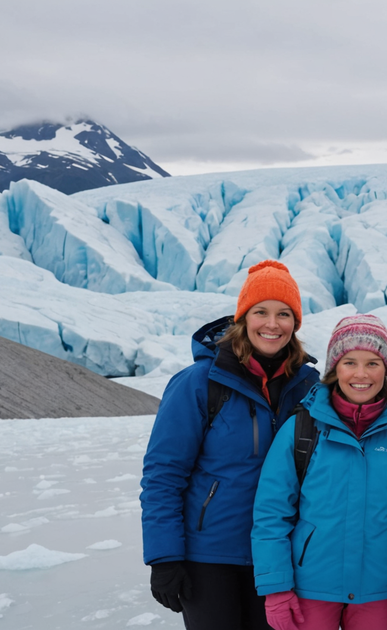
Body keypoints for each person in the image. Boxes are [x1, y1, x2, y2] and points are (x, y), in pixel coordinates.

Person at [141, 260, 320, 630]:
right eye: (261, 312)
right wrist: (164, 556)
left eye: (284, 314)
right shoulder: (199, 384)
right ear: (243, 317)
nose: (272, 324)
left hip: (279, 554)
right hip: (209, 557)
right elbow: (164, 475)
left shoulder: (309, 387)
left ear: (296, 323)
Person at [251, 314, 387, 630]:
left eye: (373, 363)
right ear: (334, 369)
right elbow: (271, 514)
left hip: (380, 588)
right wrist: (276, 587)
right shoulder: (301, 430)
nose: (361, 374)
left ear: (386, 369)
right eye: (349, 362)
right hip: (311, 588)